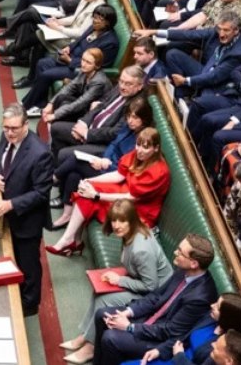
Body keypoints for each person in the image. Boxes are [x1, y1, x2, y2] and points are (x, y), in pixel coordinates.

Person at [61, 199, 174, 363]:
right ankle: (84, 337)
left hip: (155, 296)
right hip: (139, 281)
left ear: (132, 220)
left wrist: (120, 280)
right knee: (98, 291)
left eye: (122, 221)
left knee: (104, 301)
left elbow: (151, 286)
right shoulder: (131, 234)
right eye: (114, 220)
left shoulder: (141, 249)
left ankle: (91, 347)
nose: (116, 225)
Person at [93, 234, 218, 365]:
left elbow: (170, 330)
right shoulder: (184, 270)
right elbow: (156, 297)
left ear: (194, 263)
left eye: (180, 252)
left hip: (159, 340)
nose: (175, 253)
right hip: (150, 320)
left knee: (110, 338)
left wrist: (130, 327)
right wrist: (128, 312)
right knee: (102, 314)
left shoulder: (200, 297)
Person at [47, 127, 171, 258]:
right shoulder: (137, 155)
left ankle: (71, 241)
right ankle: (72, 240)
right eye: (138, 144)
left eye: (145, 147)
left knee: (91, 195)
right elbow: (119, 175)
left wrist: (96, 195)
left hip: (139, 210)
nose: (139, 150)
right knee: (87, 189)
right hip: (125, 192)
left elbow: (131, 197)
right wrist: (90, 180)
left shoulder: (158, 172)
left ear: (156, 148)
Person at [0, 103, 53, 317]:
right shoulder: (5, 138)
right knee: (9, 255)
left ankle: (29, 305)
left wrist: (11, 204)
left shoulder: (40, 153)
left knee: (28, 264)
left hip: (27, 220)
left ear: (26, 125)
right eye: (6, 127)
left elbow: (41, 193)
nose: (9, 133)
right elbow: (1, 164)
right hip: (7, 213)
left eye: (14, 128)